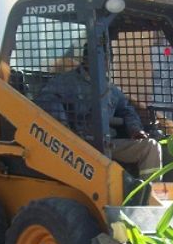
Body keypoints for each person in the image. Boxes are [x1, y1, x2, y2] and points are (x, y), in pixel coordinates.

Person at [34, 54, 162, 180]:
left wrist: (135, 130)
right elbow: (46, 100)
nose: (106, 64)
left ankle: (149, 192)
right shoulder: (65, 82)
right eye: (103, 58)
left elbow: (127, 110)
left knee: (151, 147)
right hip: (80, 145)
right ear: (87, 59)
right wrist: (66, 131)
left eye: (108, 60)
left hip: (107, 143)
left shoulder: (110, 89)